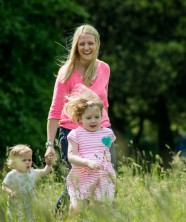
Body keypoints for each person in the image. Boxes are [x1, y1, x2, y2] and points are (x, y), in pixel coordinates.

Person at [43, 24, 115, 212]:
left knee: (105, 177)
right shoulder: (66, 72)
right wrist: (50, 144)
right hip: (72, 133)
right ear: (76, 46)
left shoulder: (104, 68)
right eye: (82, 44)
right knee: (79, 180)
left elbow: (104, 104)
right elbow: (55, 110)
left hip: (102, 133)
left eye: (90, 43)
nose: (86, 48)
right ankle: (60, 215)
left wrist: (106, 129)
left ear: (97, 44)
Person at [63, 84, 116, 216]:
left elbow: (105, 153)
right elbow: (71, 157)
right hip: (82, 174)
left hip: (102, 175)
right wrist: (88, 162)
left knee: (101, 207)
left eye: (97, 117)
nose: (93, 121)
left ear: (101, 116)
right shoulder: (75, 134)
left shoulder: (107, 134)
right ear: (80, 118)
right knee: (77, 207)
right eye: (88, 118)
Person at [2, 144, 53, 221]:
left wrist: (49, 164)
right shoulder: (12, 175)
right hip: (15, 205)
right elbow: (4, 186)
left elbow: (45, 171)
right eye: (24, 160)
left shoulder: (32, 172)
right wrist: (10, 192)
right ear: (15, 162)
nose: (27, 162)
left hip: (30, 205)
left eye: (29, 160)